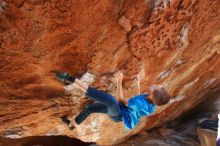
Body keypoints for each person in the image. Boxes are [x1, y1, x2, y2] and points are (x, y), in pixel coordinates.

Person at [55, 70, 171, 129]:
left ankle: (72, 80)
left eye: (156, 87)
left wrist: (119, 81)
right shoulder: (150, 102)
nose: (156, 84)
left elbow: (120, 99)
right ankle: (72, 125)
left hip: (118, 114)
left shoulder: (140, 103)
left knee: (111, 100)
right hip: (123, 110)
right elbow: (138, 103)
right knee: (89, 108)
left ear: (153, 94)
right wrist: (139, 82)